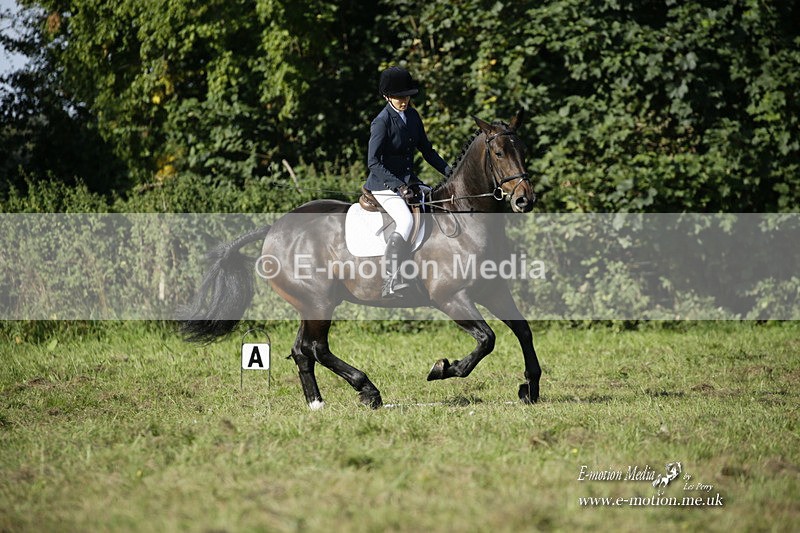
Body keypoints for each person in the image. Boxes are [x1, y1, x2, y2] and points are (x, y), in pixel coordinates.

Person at [365, 66, 451, 298]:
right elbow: (372, 162)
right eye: (399, 97)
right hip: (384, 185)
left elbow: (427, 151)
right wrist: (398, 186)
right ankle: (390, 281)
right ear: (387, 96)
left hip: (409, 181)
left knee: (438, 203)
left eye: (407, 96)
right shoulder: (381, 122)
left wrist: (450, 173)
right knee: (405, 221)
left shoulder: (412, 116)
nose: (404, 101)